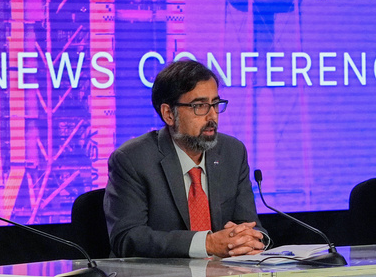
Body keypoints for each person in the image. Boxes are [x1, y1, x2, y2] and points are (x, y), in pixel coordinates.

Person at [105, 61, 268, 258]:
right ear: (168, 114)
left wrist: (252, 240)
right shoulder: (133, 159)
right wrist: (206, 244)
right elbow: (128, 238)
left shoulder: (232, 152)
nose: (212, 116)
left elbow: (250, 225)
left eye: (215, 104)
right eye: (199, 106)